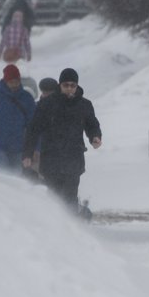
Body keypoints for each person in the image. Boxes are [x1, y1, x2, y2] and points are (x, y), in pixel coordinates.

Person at [22, 68, 102, 213]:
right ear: (60, 85)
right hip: (51, 159)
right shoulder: (47, 104)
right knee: (53, 198)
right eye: (66, 85)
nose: (69, 88)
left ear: (77, 86)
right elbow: (33, 130)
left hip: (73, 159)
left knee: (70, 198)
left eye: (73, 85)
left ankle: (71, 228)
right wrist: (27, 154)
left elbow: (92, 124)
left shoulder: (84, 105)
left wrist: (95, 137)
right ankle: (54, 228)